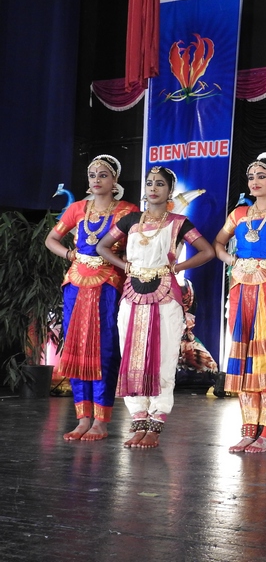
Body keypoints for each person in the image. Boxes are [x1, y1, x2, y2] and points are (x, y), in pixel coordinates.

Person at [97, 166, 215, 448]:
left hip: (165, 297)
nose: (153, 188)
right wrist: (125, 265)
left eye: (160, 184)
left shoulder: (178, 222)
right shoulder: (130, 220)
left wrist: (178, 267)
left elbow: (208, 251)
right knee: (131, 357)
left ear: (170, 190)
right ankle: (138, 420)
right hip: (132, 295)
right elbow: (102, 247)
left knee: (163, 359)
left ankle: (156, 423)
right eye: (149, 183)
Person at [45, 155, 139, 441]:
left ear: (115, 180)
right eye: (92, 175)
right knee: (75, 348)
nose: (96, 179)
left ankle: (101, 420)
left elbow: (137, 247)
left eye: (103, 175)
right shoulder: (77, 209)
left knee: (105, 350)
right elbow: (50, 240)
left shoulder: (127, 211)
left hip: (108, 284)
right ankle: (82, 418)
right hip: (75, 284)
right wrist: (70, 254)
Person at [213, 153, 266, 454]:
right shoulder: (238, 214)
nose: (255, 181)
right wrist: (231, 260)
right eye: (251, 177)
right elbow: (218, 243)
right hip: (241, 289)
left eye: (262, 176)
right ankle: (248, 429)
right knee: (244, 357)